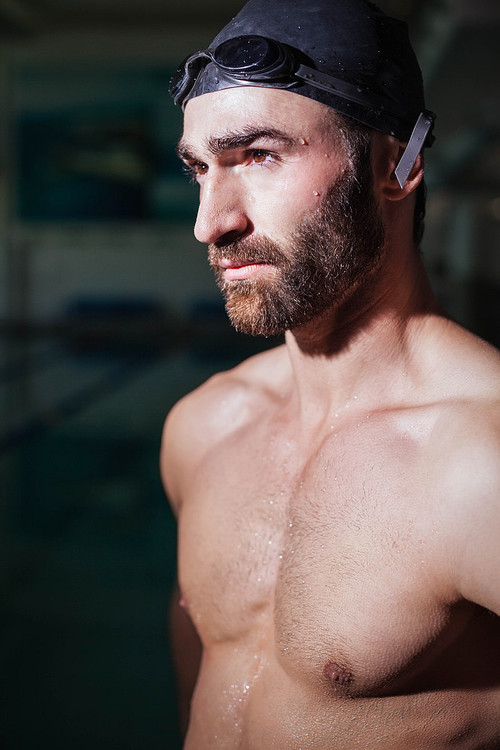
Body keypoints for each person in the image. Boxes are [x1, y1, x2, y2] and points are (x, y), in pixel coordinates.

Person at [160, 0, 500, 747]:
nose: (211, 222)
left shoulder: (480, 457)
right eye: (199, 168)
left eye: (259, 155)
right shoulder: (204, 425)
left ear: (396, 165)